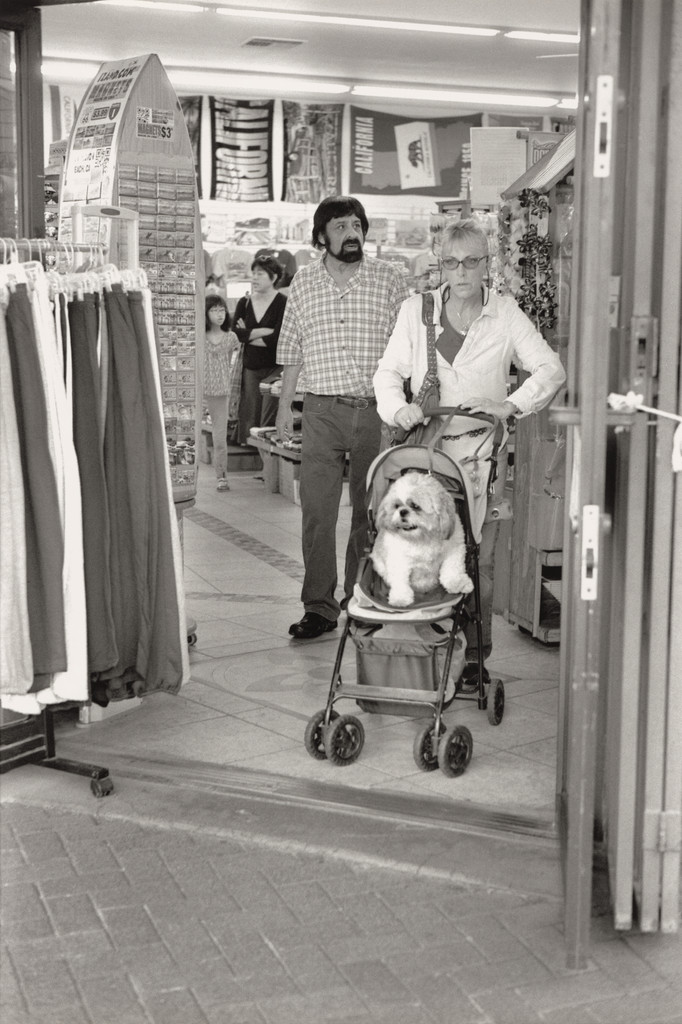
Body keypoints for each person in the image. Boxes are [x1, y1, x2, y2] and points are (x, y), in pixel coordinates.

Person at [373, 217, 566, 682]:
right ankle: (422, 646)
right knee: (418, 543)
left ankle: (475, 654)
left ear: (487, 264)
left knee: (477, 553)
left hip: (479, 455)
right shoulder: (415, 311)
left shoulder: (504, 314)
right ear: (441, 264)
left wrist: (509, 405)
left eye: (471, 262)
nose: (461, 272)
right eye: (452, 262)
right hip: (424, 453)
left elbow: (550, 369)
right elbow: (386, 374)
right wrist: (397, 409)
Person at [275, 195, 410, 640]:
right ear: (321, 237)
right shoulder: (304, 284)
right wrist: (283, 411)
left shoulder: (390, 280)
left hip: (376, 411)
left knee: (369, 512)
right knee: (316, 511)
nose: (351, 233)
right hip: (320, 411)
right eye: (339, 227)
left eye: (356, 224)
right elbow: (291, 348)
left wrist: (403, 411)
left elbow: (406, 351)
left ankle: (361, 600)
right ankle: (319, 606)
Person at [232, 254, 287, 445]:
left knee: (269, 415)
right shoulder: (244, 303)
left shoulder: (283, 303)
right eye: (253, 273)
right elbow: (236, 334)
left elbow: (277, 338)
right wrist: (263, 331)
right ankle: (251, 454)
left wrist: (249, 334)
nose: (254, 278)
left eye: (260, 274)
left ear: (273, 277)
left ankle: (267, 457)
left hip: (275, 369)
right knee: (250, 411)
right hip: (251, 367)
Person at [203, 295, 239, 492]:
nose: (220, 315)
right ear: (206, 313)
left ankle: (221, 476)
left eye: (222, 310)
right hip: (200, 390)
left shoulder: (231, 338)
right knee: (187, 433)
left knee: (219, 438)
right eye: (214, 310)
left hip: (221, 392)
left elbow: (232, 365)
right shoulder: (198, 336)